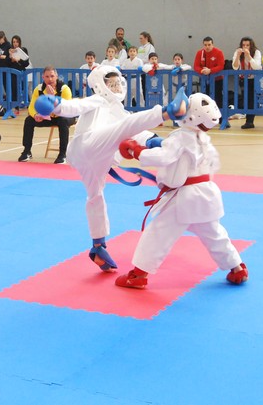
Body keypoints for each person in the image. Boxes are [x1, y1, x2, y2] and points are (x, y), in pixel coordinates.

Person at [33, 66, 190, 273]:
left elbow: (134, 130)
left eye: (118, 84)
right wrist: (58, 105)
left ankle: (98, 246)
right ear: (101, 85)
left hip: (99, 159)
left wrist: (154, 142)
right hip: (86, 144)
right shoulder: (98, 100)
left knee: (95, 196)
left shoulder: (120, 111)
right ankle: (168, 111)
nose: (116, 87)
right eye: (112, 84)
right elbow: (77, 106)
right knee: (125, 126)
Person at [114, 93, 249, 289]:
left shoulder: (181, 136)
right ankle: (237, 268)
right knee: (215, 234)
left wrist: (137, 151)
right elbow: (207, 161)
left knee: (158, 233)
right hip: (207, 194)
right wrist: (163, 145)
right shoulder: (203, 138)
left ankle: (138, 275)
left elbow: (164, 157)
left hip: (185, 198)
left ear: (190, 115)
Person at [18, 66, 74, 164]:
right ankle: (27, 152)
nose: (50, 79)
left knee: (63, 121)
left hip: (65, 115)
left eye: (52, 76)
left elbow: (64, 108)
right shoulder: (39, 89)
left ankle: (62, 154)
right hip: (48, 117)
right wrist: (36, 115)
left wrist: (51, 98)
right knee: (29, 120)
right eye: (47, 77)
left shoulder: (64, 89)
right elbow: (32, 107)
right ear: (43, 77)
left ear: (56, 76)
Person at [193, 36, 227, 124]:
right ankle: (206, 118)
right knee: (205, 99)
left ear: (212, 44)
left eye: (209, 44)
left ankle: (220, 118)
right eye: (205, 45)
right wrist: (202, 71)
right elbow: (196, 66)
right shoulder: (199, 53)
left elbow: (221, 66)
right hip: (204, 80)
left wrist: (210, 70)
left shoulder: (218, 52)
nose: (207, 47)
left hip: (217, 80)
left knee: (218, 98)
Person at [232, 36, 262, 129]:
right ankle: (247, 118)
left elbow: (257, 66)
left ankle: (250, 121)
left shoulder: (256, 52)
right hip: (243, 78)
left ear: (251, 45)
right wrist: (237, 56)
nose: (245, 47)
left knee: (251, 99)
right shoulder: (238, 51)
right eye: (243, 45)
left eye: (247, 45)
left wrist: (248, 56)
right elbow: (235, 67)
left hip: (254, 79)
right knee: (245, 98)